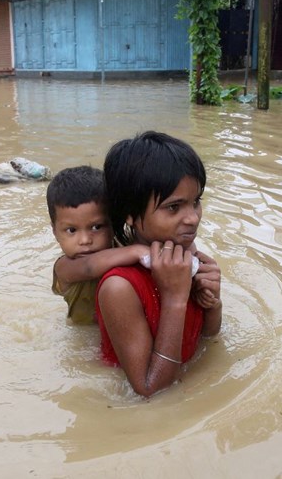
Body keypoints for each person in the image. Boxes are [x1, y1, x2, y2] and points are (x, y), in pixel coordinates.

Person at [97, 131, 222, 397]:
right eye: (174, 207)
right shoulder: (120, 287)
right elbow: (150, 389)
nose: (192, 218)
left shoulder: (185, 254)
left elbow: (207, 339)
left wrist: (213, 302)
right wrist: (175, 298)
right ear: (130, 214)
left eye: (196, 202)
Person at [47, 165, 212, 326]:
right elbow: (89, 267)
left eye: (97, 227)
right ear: (54, 231)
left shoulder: (120, 245)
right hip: (87, 331)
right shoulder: (64, 267)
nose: (84, 240)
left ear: (114, 223)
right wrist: (137, 251)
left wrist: (193, 262)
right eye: (71, 230)